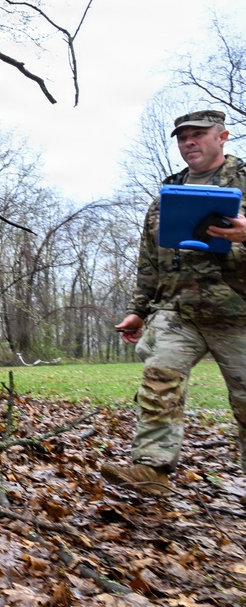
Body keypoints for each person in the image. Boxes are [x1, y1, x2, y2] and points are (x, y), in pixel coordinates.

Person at [102, 109, 246, 497]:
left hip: (238, 312)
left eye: (198, 135)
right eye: (183, 138)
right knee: (158, 381)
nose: (189, 143)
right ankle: (152, 469)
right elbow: (150, 259)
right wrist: (139, 310)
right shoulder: (168, 194)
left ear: (223, 136)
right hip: (178, 310)